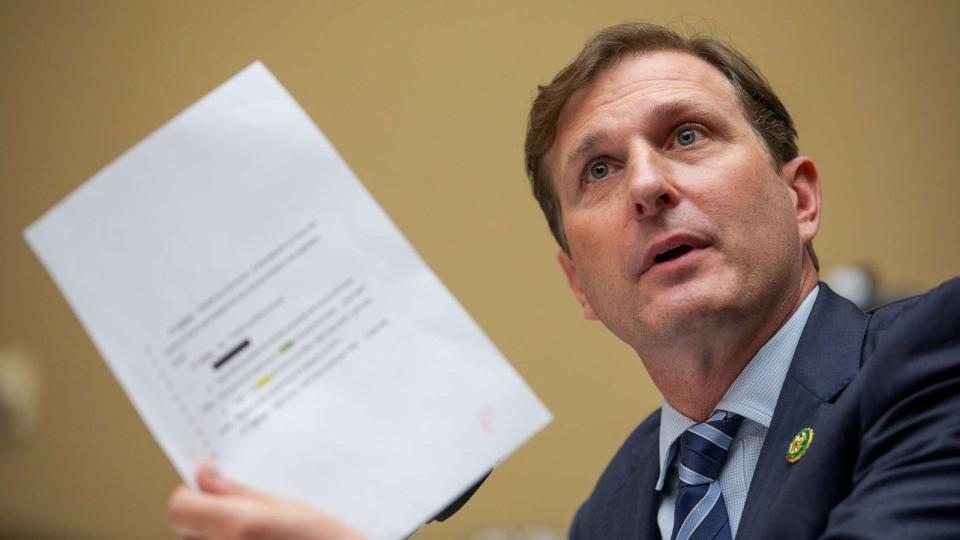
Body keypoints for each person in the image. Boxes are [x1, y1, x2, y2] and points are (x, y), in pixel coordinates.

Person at [167, 22, 960, 539]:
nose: (648, 185)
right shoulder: (610, 512)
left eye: (687, 135)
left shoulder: (930, 362)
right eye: (600, 170)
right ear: (579, 284)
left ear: (800, 197)